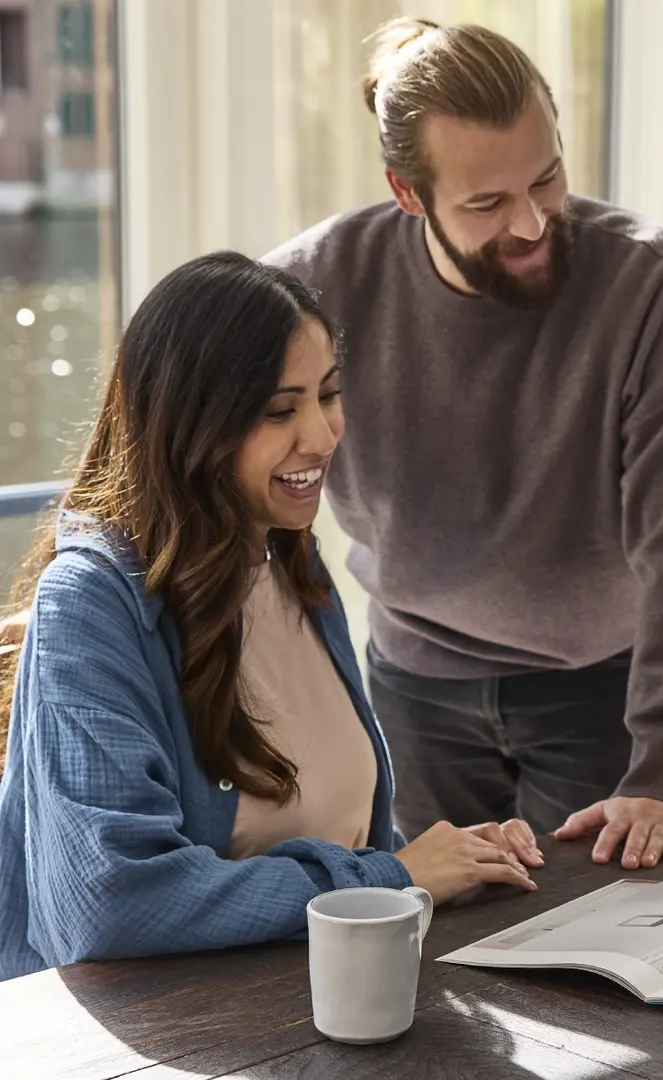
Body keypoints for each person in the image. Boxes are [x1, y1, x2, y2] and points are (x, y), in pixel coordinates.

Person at [262, 17, 663, 872]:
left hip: (601, 692)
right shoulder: (311, 286)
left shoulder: (653, 288)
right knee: (440, 936)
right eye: (486, 204)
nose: (530, 222)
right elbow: (227, 474)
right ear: (407, 192)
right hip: (411, 685)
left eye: (546, 178)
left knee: (592, 934)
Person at [0, 252, 542, 982]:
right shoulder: (90, 602)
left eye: (329, 394)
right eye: (279, 411)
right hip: (168, 1029)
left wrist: (452, 861)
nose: (321, 436)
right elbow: (110, 899)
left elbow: (329, 829)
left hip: (315, 998)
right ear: (192, 426)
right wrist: (392, 876)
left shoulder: (291, 558)